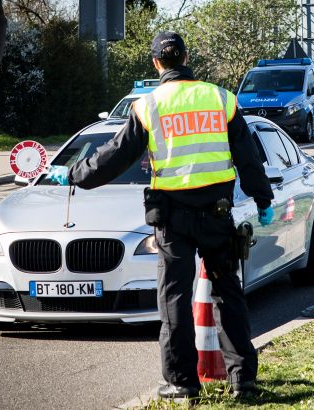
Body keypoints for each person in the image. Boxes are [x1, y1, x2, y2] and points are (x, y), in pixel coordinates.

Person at [46, 31, 275, 400]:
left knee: (174, 300)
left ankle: (182, 385)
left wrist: (73, 174)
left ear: (156, 64)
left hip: (173, 219)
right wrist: (263, 200)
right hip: (217, 216)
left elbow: (113, 157)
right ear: (186, 57)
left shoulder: (148, 106)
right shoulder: (221, 99)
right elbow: (248, 158)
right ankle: (242, 381)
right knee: (228, 295)